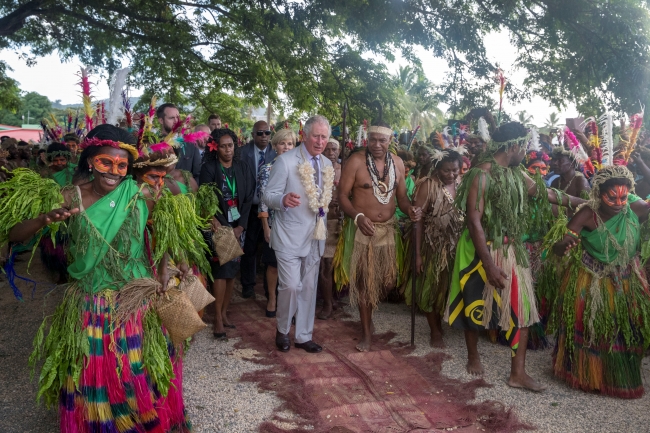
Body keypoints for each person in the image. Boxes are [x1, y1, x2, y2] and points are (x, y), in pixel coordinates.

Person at [6, 124, 192, 432]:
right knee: (94, 376)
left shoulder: (140, 194)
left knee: (136, 373)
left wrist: (168, 263)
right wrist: (42, 219)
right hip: (91, 305)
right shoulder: (69, 196)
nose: (114, 172)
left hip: (135, 304)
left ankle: (142, 421)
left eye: (122, 165)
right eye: (106, 162)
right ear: (90, 160)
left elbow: (163, 228)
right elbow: (14, 235)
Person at [445, 121, 583, 391]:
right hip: (480, 248)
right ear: (514, 146)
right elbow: (474, 221)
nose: (528, 152)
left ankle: (517, 373)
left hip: (511, 248)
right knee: (474, 302)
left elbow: (545, 194)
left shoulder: (517, 172)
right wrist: (489, 264)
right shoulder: (481, 175)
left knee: (523, 309)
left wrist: (582, 202)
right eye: (525, 146)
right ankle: (473, 354)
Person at [550, 165, 650, 398]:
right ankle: (588, 376)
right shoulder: (586, 214)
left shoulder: (636, 208)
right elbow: (561, 243)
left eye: (623, 197)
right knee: (592, 329)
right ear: (598, 194)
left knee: (623, 329)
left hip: (626, 278)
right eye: (611, 197)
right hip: (591, 278)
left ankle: (618, 378)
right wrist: (564, 245)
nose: (618, 203)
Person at [336, 121, 421, 352]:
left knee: (387, 282)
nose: (376, 144)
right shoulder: (356, 161)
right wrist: (357, 216)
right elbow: (342, 195)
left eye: (382, 140)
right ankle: (365, 333)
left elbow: (402, 198)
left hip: (388, 230)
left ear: (390, 141)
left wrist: (411, 209)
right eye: (372, 139)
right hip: (364, 229)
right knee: (365, 283)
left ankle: (369, 315)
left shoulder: (397, 163)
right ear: (367, 139)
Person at [262, 115, 335, 353]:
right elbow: (267, 196)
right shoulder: (285, 161)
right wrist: (282, 199)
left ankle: (303, 336)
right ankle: (283, 329)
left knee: (308, 287)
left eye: (324, 137)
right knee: (291, 286)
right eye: (316, 135)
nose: (320, 141)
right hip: (288, 234)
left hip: (315, 235)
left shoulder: (326, 164)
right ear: (304, 135)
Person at [403, 146, 465, 348]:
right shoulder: (428, 186)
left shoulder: (463, 184)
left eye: (455, 170)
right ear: (438, 168)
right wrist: (418, 253)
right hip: (433, 245)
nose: (451, 174)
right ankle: (434, 330)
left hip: (457, 246)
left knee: (447, 288)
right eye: (446, 170)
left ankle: (443, 322)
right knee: (430, 287)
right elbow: (418, 221)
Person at [199, 128, 256, 339]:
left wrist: (241, 226)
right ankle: (218, 319)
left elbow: (249, 197)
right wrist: (224, 227)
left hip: (238, 224)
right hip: (219, 225)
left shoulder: (242, 166)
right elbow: (206, 199)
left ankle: (224, 312)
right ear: (215, 148)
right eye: (222, 146)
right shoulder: (209, 168)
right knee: (222, 269)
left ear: (235, 145)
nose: (227, 150)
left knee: (233, 270)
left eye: (230, 145)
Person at [257, 127, 296, 317]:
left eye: (290, 144)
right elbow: (263, 200)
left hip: (295, 225)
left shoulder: (301, 168)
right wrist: (266, 226)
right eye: (283, 143)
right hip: (274, 224)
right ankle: (272, 299)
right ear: (275, 146)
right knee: (273, 265)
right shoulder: (267, 169)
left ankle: (292, 304)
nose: (287, 147)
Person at [237, 120, 277, 298]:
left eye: (267, 133)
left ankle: (271, 291)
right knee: (249, 248)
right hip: (250, 208)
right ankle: (248, 285)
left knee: (271, 249)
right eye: (259, 133)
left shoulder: (277, 153)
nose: (263, 136)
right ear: (253, 134)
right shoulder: (242, 152)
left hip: (272, 210)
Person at [317, 137, 343, 320]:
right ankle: (326, 303)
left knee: (337, 264)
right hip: (324, 223)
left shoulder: (346, 170)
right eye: (328, 149)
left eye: (334, 150)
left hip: (342, 224)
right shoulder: (315, 168)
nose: (331, 153)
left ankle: (335, 297)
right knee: (325, 264)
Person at [157, 103, 202, 181]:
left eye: (177, 117)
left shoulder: (190, 144)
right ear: (161, 120)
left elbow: (197, 174)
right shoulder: (153, 142)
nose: (176, 121)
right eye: (171, 118)